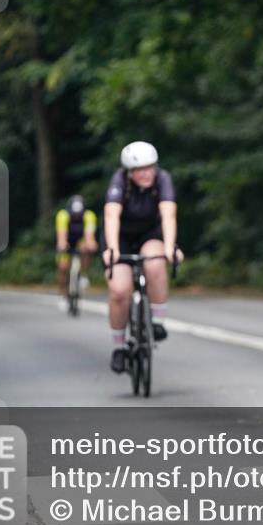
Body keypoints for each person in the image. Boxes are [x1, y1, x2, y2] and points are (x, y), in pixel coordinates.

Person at [101, 141, 182, 374]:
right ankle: (119, 347)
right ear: (129, 171)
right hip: (121, 236)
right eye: (139, 170)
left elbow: (169, 215)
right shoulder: (119, 182)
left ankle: (157, 322)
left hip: (150, 233)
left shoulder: (162, 179)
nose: (146, 173)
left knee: (155, 263)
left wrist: (169, 248)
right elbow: (111, 216)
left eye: (150, 168)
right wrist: (113, 249)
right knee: (119, 290)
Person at [55, 195, 98, 309]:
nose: (77, 216)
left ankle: (84, 274)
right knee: (63, 267)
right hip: (68, 240)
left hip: (80, 240)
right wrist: (62, 244)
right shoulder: (63, 215)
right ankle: (63, 295)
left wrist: (91, 243)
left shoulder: (89, 216)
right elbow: (62, 235)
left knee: (85, 247)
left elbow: (89, 235)